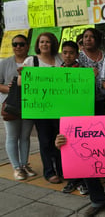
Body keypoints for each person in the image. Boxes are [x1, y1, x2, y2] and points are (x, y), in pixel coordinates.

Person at [22, 32, 63, 184]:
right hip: (42, 109)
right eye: (42, 42)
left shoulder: (60, 58)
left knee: (61, 139)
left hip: (60, 108)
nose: (45, 44)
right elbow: (21, 83)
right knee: (45, 140)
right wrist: (24, 75)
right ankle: (49, 172)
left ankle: (62, 169)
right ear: (38, 45)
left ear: (53, 44)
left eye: (48, 42)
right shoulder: (31, 60)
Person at [0, 35, 36, 180]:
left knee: (25, 136)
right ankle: (16, 167)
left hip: (29, 104)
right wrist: (11, 89)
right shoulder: (5, 63)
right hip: (11, 104)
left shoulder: (33, 61)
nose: (18, 47)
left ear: (27, 46)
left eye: (21, 44)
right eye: (15, 44)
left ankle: (24, 164)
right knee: (12, 136)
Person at [57, 41, 89, 195]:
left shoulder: (84, 71)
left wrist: (91, 77)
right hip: (64, 117)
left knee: (82, 148)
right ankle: (73, 180)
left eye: (71, 53)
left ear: (77, 55)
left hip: (81, 117)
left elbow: (89, 93)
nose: (67, 55)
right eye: (65, 52)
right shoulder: (56, 72)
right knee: (68, 148)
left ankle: (83, 181)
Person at [77, 28, 105, 115]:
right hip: (84, 100)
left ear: (97, 40)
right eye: (85, 37)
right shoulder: (78, 57)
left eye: (92, 37)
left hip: (103, 100)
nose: (88, 39)